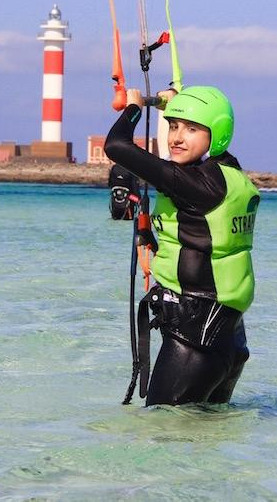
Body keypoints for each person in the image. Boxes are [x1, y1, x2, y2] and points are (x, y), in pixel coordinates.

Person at [104, 85, 260, 406]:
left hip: (193, 341)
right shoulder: (228, 176)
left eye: (191, 129)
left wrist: (133, 109)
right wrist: (173, 107)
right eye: (174, 126)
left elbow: (116, 146)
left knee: (160, 438)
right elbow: (177, 173)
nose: (177, 137)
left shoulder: (195, 185)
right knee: (205, 442)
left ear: (216, 134)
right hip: (228, 338)